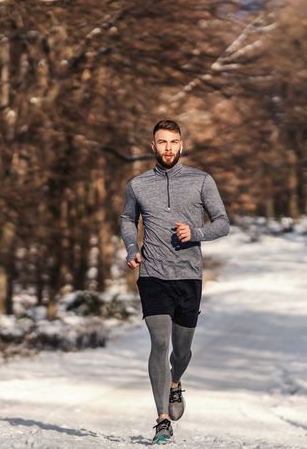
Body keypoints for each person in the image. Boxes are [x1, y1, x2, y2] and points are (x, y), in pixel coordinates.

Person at [120, 119, 230, 444]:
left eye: (173, 142)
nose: (168, 148)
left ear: (181, 145)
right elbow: (127, 218)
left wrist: (196, 233)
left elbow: (223, 223)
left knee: (180, 352)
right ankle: (162, 420)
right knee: (159, 342)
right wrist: (131, 248)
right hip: (153, 274)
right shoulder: (137, 185)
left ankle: (175, 382)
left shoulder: (201, 181)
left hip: (188, 277)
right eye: (162, 142)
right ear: (152, 146)